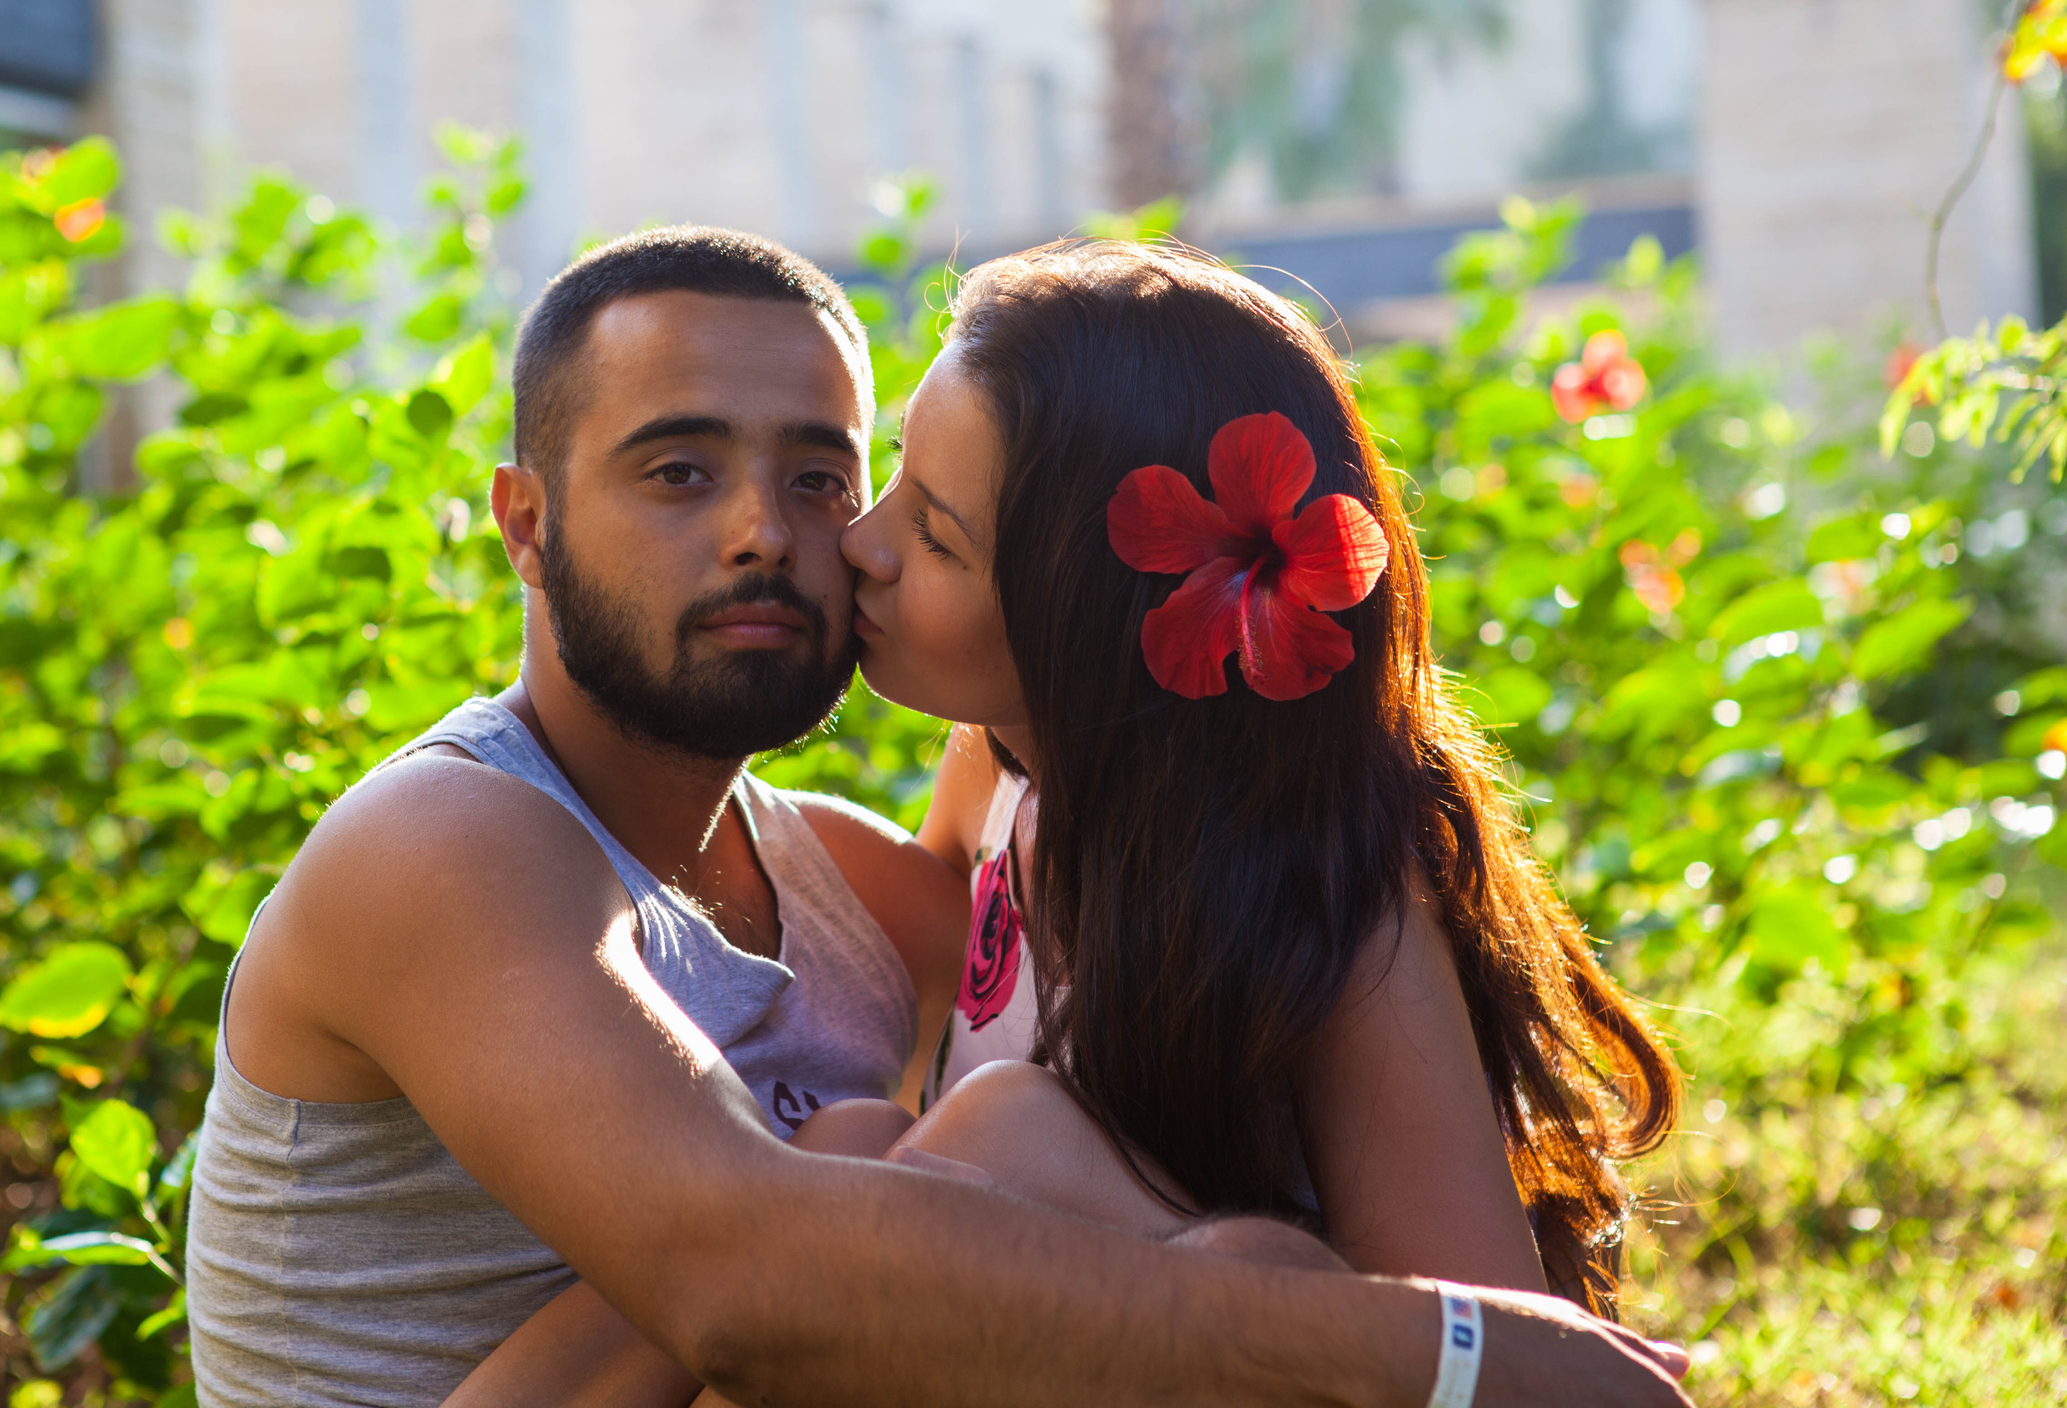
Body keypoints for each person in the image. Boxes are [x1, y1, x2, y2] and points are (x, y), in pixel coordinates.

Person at [185, 225, 1695, 1408]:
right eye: (677, 471)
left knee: (910, 1152)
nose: (766, 532)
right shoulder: (444, 846)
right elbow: (750, 1284)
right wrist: (1392, 1349)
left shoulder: (853, 873)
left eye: (825, 472)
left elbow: (1151, 861)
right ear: (525, 520)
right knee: (881, 1165)